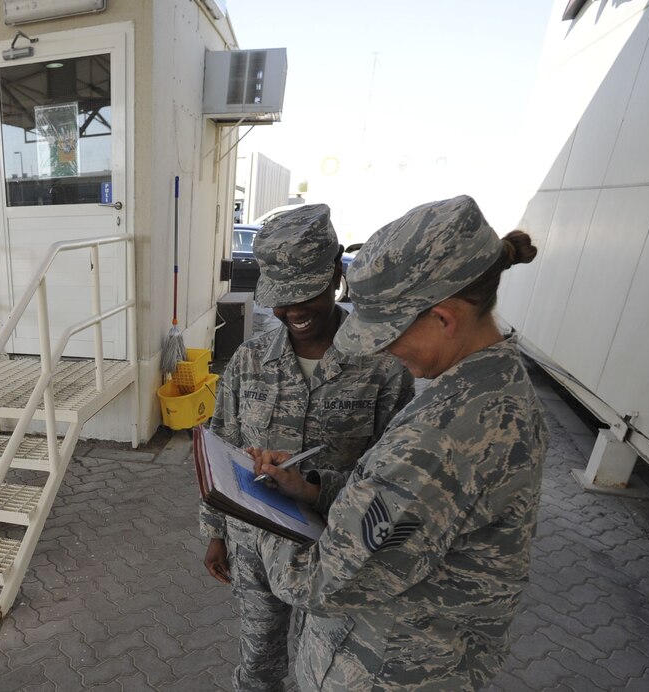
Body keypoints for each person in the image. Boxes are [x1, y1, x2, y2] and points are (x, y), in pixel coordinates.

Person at [254, 195, 549, 690]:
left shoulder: (448, 434)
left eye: (387, 333)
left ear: (444, 317)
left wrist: (255, 510)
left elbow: (318, 582)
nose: (383, 349)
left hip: (386, 669)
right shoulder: (479, 390)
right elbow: (387, 503)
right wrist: (310, 488)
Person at [199, 204, 415, 692]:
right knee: (258, 666)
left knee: (327, 672)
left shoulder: (384, 368)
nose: (293, 311)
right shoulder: (251, 359)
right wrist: (214, 531)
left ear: (337, 273)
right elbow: (223, 443)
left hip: (339, 550)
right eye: (281, 299)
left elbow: (393, 476)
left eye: (306, 295)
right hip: (254, 545)